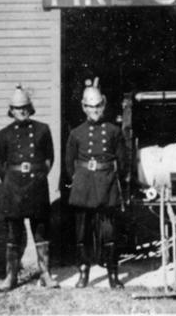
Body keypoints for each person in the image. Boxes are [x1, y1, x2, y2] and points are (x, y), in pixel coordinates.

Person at [0, 84, 59, 291]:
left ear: (30, 108)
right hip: (13, 188)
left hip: (37, 186)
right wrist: (11, 179)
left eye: (24, 107)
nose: (21, 111)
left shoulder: (42, 130)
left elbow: (50, 158)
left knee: (41, 231)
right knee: (14, 233)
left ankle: (45, 273)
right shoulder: (3, 134)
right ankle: (11, 276)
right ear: (11, 110)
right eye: (16, 108)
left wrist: (39, 177)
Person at [66, 78, 126, 289]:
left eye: (98, 106)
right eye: (90, 107)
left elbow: (123, 162)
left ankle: (112, 274)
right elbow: (69, 165)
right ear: (83, 107)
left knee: (109, 235)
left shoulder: (114, 131)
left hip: (107, 187)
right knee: (82, 235)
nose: (95, 110)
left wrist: (114, 182)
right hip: (83, 187)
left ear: (104, 104)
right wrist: (80, 181)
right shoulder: (76, 133)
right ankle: (84, 274)